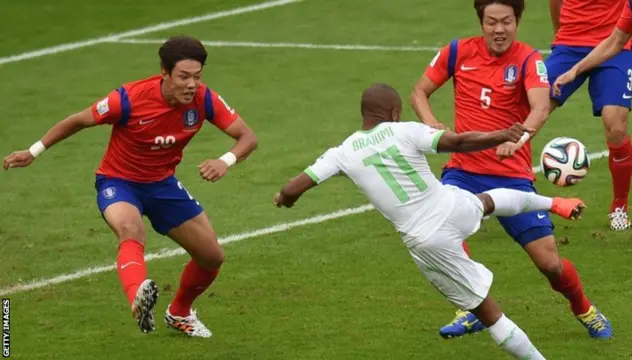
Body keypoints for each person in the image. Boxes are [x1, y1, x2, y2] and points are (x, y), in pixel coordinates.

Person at [274, 83, 587, 359]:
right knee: (489, 200)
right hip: (450, 205)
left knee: (489, 314)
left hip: (427, 239)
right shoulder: (406, 130)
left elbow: (292, 188)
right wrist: (501, 135)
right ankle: (554, 203)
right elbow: (459, 143)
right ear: (394, 112)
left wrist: (285, 199)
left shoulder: (341, 153)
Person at [3, 36, 258, 338]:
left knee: (211, 256)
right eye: (183, 76)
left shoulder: (204, 100)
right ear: (164, 72)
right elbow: (78, 120)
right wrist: (32, 152)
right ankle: (140, 297)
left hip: (162, 184)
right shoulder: (128, 99)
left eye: (197, 76)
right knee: (130, 229)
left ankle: (179, 313)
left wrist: (225, 161)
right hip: (118, 182)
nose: (192, 84)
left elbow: (247, 137)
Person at [410, 0, 611, 339]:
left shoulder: (529, 60)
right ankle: (471, 308)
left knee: (550, 264)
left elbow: (540, 106)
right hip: (463, 171)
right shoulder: (458, 51)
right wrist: (435, 130)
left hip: (512, 176)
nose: (498, 30)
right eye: (491, 22)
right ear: (481, 22)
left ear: (517, 21)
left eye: (506, 22)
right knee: (441, 230)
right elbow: (419, 92)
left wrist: (520, 140)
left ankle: (583, 307)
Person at [546, 0, 632, 231]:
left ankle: (619, 206)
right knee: (530, 109)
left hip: (617, 43)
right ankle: (513, 192)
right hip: (570, 42)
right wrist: (562, 33)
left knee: (615, 124)